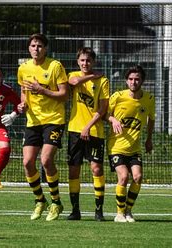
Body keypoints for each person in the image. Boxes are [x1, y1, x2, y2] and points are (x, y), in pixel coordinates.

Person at [17, 33, 69, 221]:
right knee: (27, 163)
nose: (36, 49)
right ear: (28, 48)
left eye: (39, 46)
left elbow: (64, 95)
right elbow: (24, 94)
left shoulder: (55, 66)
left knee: (46, 160)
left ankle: (56, 202)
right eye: (33, 46)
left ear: (45, 48)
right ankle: (40, 200)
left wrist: (42, 90)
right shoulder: (23, 68)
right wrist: (22, 105)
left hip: (54, 119)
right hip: (33, 121)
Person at [106, 65, 155, 222]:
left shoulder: (149, 99)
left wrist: (149, 139)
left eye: (137, 79)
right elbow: (104, 114)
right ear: (126, 81)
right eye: (131, 79)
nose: (134, 82)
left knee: (138, 177)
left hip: (135, 148)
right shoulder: (118, 96)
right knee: (124, 176)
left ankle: (128, 211)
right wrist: (113, 119)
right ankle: (119, 214)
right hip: (116, 147)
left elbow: (151, 119)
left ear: (142, 81)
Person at [66, 47, 109, 221]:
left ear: (94, 62)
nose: (85, 63)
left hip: (94, 131)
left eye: (89, 60)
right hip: (74, 130)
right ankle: (75, 210)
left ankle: (99, 210)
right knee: (73, 170)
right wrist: (92, 76)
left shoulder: (103, 81)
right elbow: (74, 82)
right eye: (82, 60)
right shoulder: (73, 75)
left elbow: (102, 108)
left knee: (96, 168)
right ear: (78, 61)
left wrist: (88, 126)